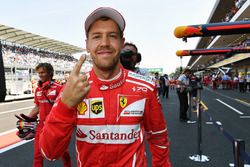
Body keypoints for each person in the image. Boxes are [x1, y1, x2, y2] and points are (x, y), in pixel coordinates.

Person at [39, 7, 171, 167]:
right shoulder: (73, 89)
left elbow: (158, 138)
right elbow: (50, 153)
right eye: (96, 37)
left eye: (112, 36)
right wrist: (64, 106)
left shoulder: (146, 87)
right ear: (87, 45)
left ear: (122, 43)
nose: (104, 43)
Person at [25, 63, 71, 167]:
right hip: (41, 126)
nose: (40, 75)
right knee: (37, 154)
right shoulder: (38, 89)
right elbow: (37, 107)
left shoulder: (59, 88)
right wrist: (27, 119)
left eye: (43, 72)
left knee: (62, 151)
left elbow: (66, 107)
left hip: (55, 126)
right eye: (39, 73)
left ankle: (68, 165)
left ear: (50, 73)